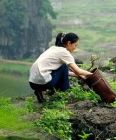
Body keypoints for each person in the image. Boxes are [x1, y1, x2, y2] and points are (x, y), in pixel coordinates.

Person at [29, 32, 92, 103]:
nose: (75, 48)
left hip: (33, 83)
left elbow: (64, 73)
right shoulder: (64, 53)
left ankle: (39, 92)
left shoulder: (53, 48)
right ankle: (65, 92)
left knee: (60, 68)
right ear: (69, 43)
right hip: (44, 83)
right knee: (64, 66)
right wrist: (92, 74)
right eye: (75, 45)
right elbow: (78, 71)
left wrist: (81, 76)